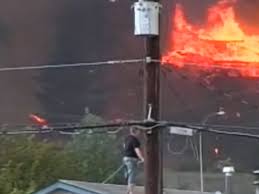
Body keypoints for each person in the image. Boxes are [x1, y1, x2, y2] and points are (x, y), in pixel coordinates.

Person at [123, 127, 144, 194]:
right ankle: (130, 191)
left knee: (128, 174)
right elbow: (137, 150)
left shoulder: (127, 138)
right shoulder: (134, 139)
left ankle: (128, 190)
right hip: (131, 159)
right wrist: (142, 158)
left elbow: (124, 146)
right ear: (136, 131)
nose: (139, 132)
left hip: (125, 158)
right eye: (139, 131)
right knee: (132, 175)